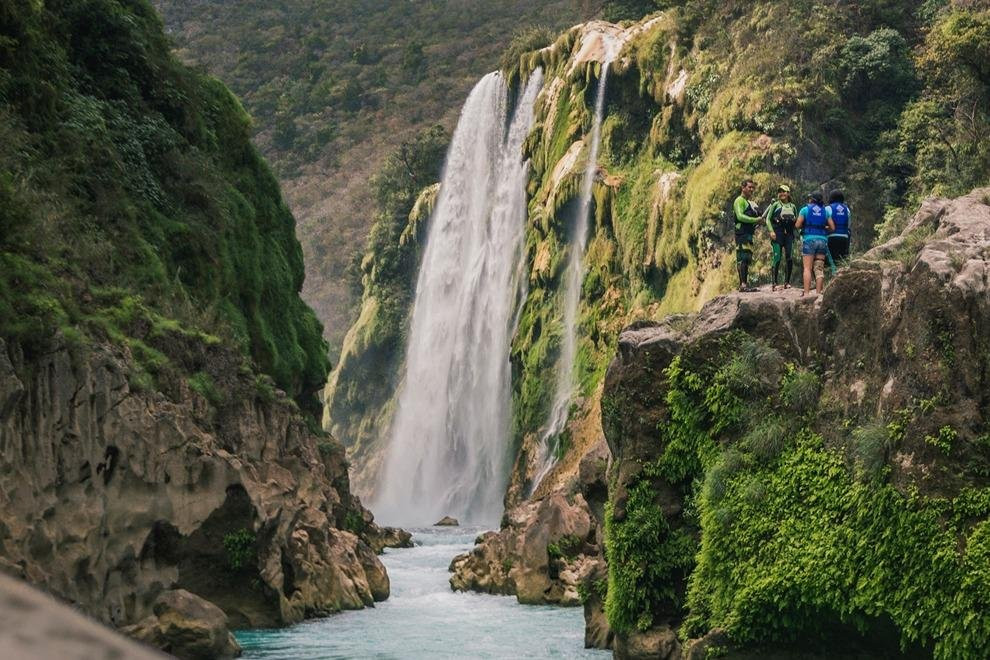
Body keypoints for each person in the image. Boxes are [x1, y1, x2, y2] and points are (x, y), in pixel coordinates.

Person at [795, 192, 835, 296]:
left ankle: (807, 294)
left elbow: (798, 224)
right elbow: (832, 227)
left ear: (811, 200)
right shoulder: (825, 211)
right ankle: (818, 293)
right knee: (819, 268)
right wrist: (823, 228)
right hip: (822, 241)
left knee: (807, 268)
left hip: (809, 240)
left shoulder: (805, 210)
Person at [763, 184, 798, 290]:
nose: (781, 193)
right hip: (777, 233)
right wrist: (771, 231)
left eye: (784, 191)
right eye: (780, 192)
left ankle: (787, 282)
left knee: (789, 257)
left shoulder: (793, 206)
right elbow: (768, 219)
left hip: (789, 234)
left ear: (788, 193)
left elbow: (796, 221)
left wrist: (799, 232)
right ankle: (774, 283)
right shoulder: (775, 205)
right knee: (777, 256)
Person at [733, 179, 762, 292]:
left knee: (748, 258)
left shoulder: (750, 203)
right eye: (749, 187)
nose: (751, 189)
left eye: (752, 188)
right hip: (741, 234)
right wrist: (755, 219)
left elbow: (757, 217)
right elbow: (740, 216)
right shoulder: (739, 201)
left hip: (749, 234)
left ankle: (745, 284)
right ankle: (743, 285)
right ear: (743, 187)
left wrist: (759, 219)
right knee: (742, 258)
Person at [827, 190, 851, 262]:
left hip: (831, 238)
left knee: (831, 261)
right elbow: (848, 225)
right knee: (841, 260)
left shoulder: (828, 208)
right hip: (844, 237)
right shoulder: (847, 209)